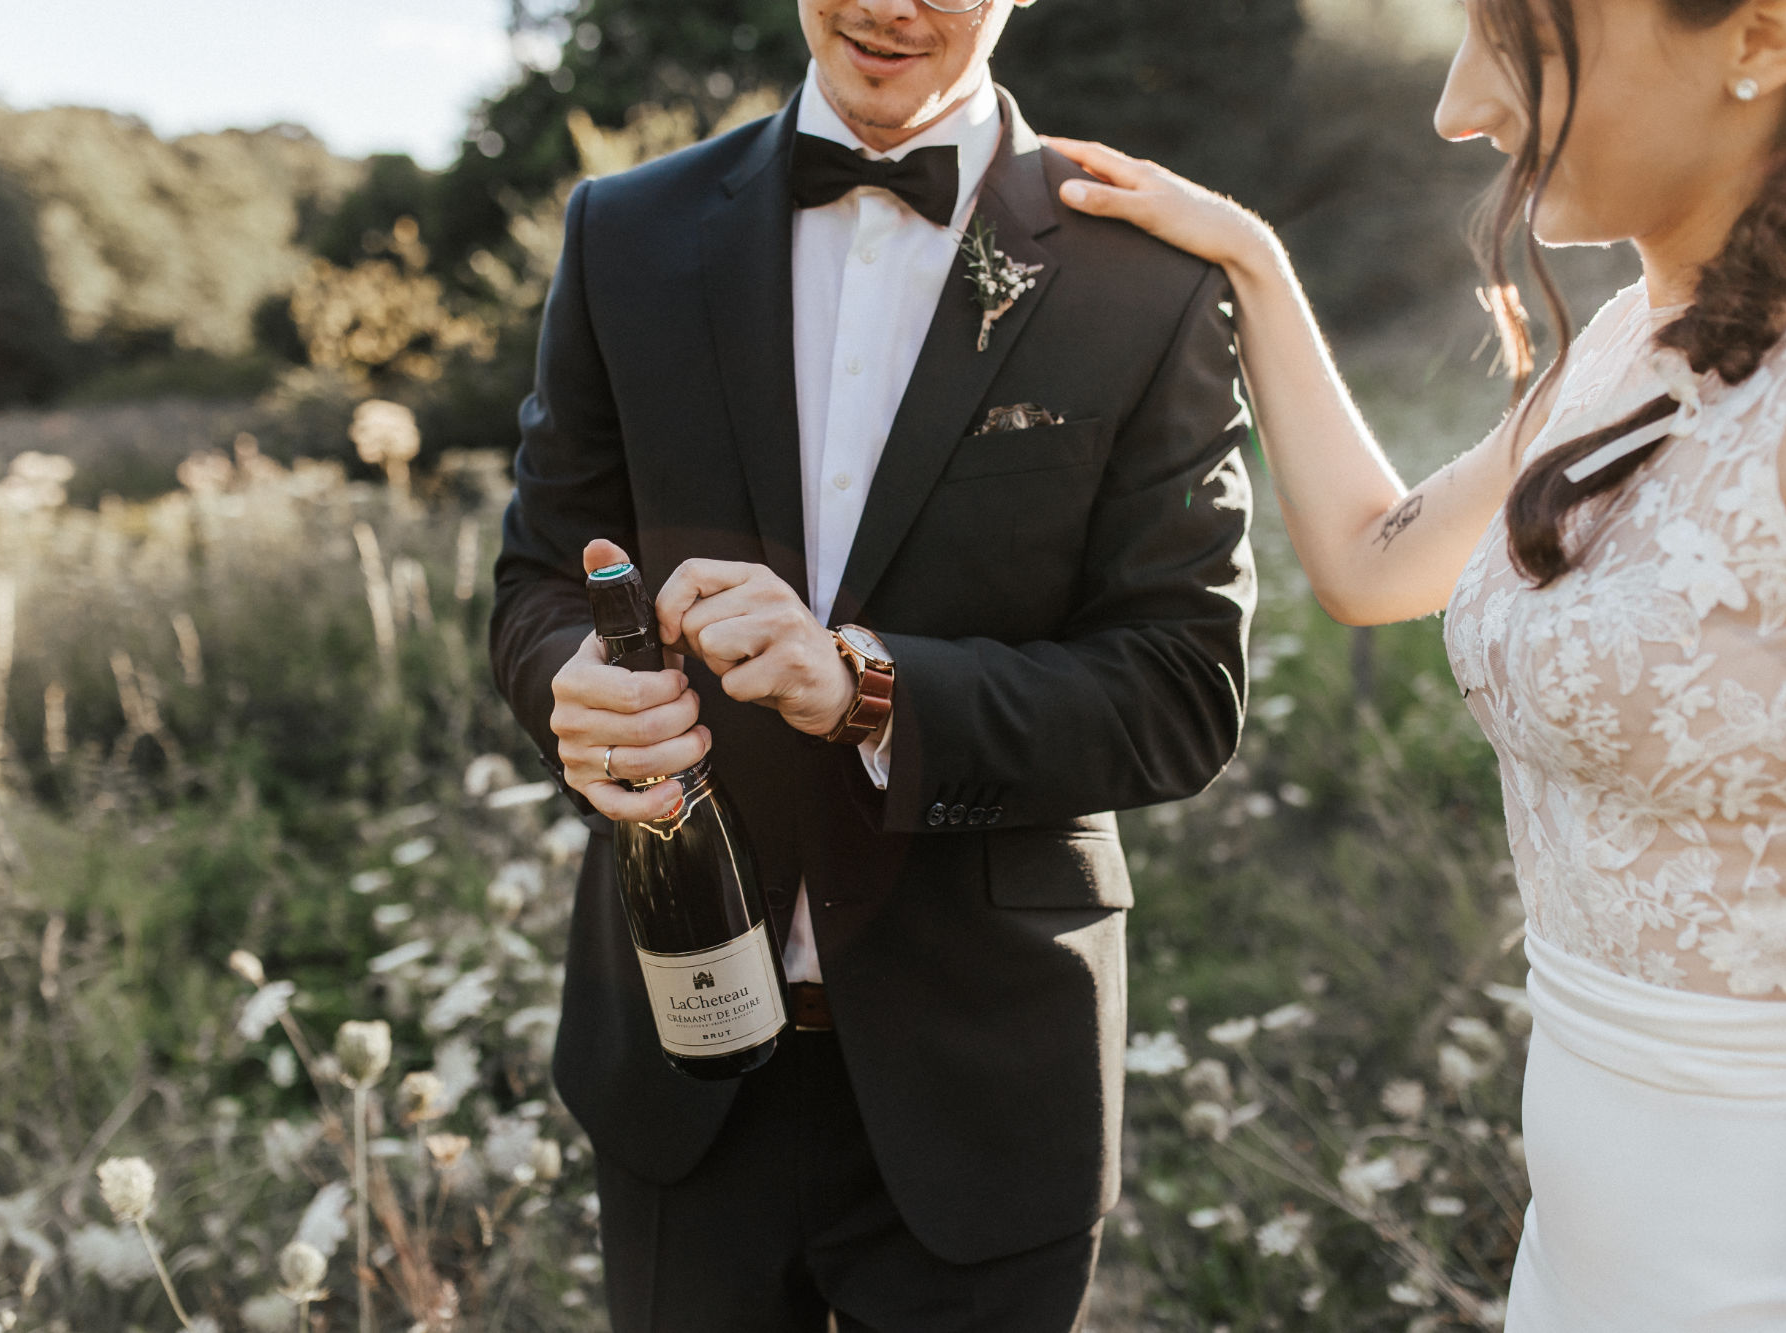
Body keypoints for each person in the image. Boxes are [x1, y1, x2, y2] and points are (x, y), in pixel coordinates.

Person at [1049, 0, 1786, 1325]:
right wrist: (1254, 265)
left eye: (1521, 40)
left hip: (1784, 1253)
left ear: (1764, 36)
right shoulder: (1625, 344)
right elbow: (1372, 558)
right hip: (1579, 1249)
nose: (1458, 106)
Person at [487, 0, 1257, 1326]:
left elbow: (1183, 688)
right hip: (680, 1070)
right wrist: (573, 680)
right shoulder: (627, 233)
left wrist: (868, 689)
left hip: (989, 1079)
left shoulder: (1153, 275)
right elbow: (547, 576)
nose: (890, 5)